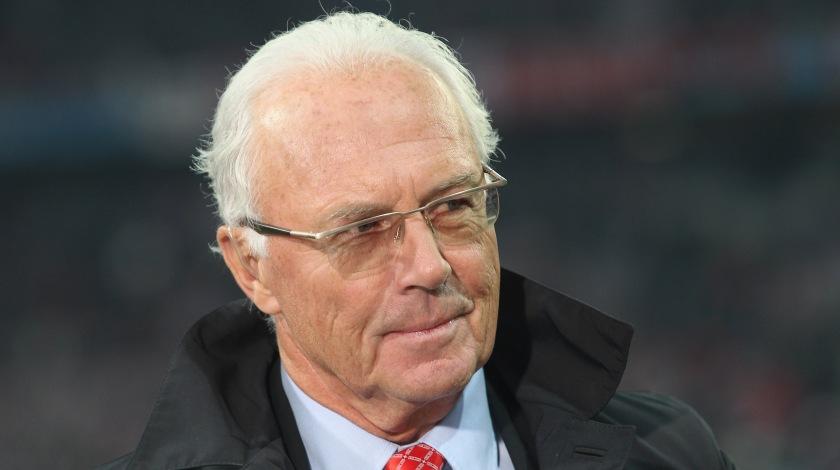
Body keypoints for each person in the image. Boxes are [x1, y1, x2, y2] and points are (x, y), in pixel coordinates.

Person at [98, 11, 736, 470]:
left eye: (453, 205)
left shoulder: (673, 453)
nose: (429, 266)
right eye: (361, 230)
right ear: (252, 268)